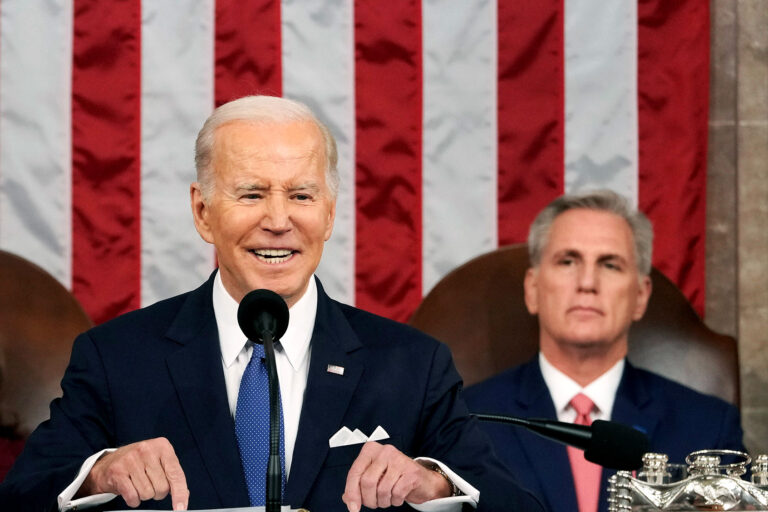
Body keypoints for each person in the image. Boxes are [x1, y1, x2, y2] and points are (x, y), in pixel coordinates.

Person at [0, 95, 542, 512]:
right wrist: (97, 473)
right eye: (252, 193)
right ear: (203, 211)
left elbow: (513, 503)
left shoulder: (411, 364)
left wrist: (435, 483)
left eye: (302, 196)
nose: (279, 220)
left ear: (329, 214)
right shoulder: (116, 357)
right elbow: (22, 495)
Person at [463, 190, 744, 512]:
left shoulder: (708, 427)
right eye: (567, 261)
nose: (587, 282)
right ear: (533, 289)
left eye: (610, 265)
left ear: (640, 295)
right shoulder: (467, 419)